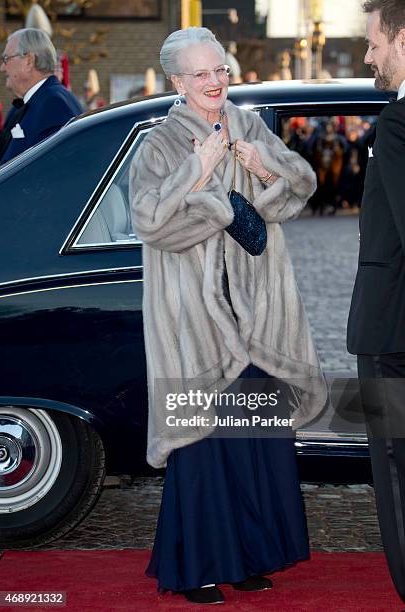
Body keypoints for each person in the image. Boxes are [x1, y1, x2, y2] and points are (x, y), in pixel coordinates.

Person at [130, 27, 327, 605]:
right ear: (177, 82)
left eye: (219, 70)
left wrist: (263, 169)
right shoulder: (160, 143)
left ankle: (247, 557)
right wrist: (202, 176)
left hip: (258, 315)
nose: (215, 82)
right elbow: (151, 222)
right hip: (195, 320)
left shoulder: (248, 123)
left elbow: (300, 186)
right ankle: (196, 568)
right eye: (200, 74)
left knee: (252, 442)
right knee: (201, 446)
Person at [347, 0, 405, 603]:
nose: (368, 55)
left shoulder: (399, 123)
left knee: (396, 482)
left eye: (372, 42)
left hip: (392, 338)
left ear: (402, 38)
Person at [0, 28, 82, 166]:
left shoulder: (55, 104)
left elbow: (58, 170)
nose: (2, 68)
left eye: (6, 59)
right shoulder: (32, 102)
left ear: (29, 61)